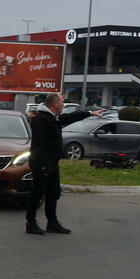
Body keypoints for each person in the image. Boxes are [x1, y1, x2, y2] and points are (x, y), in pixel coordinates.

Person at [26, 93, 100, 235]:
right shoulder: (41, 119)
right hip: (42, 164)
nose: (63, 104)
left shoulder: (53, 117)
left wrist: (90, 113)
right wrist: (44, 165)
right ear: (55, 104)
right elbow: (38, 145)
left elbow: (69, 117)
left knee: (54, 193)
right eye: (62, 102)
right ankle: (31, 223)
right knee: (37, 193)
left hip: (52, 163)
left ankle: (52, 223)